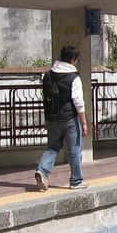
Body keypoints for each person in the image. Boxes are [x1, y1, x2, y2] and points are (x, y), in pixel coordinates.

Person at [34, 45, 89, 191]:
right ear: (73, 59)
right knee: (74, 150)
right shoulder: (74, 77)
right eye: (76, 59)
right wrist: (84, 122)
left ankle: (42, 170)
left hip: (51, 118)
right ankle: (76, 181)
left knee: (52, 147)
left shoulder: (48, 75)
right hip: (69, 118)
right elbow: (78, 101)